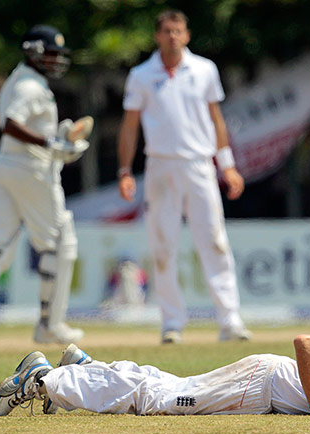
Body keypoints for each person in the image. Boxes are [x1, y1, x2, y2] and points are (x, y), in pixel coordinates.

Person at [0, 309, 310, 417]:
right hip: (262, 385)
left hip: (264, 387)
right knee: (158, 403)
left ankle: (86, 366)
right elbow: (307, 343)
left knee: (169, 385)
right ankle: (46, 379)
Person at [0, 25, 91, 349]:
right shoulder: (29, 85)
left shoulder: (16, 79)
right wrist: (52, 143)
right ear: (34, 51)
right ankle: (49, 324)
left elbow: (16, 124)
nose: (55, 60)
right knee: (59, 243)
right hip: (31, 171)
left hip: (7, 167)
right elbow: (10, 124)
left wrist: (59, 139)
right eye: (50, 53)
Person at [116, 9, 251, 344]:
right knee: (163, 246)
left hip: (198, 164)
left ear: (186, 35)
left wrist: (228, 164)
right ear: (157, 36)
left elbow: (216, 119)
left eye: (178, 31)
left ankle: (230, 320)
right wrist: (124, 170)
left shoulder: (204, 69)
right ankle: (171, 322)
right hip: (160, 165)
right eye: (166, 31)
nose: (173, 37)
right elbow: (130, 127)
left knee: (214, 241)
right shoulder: (142, 75)